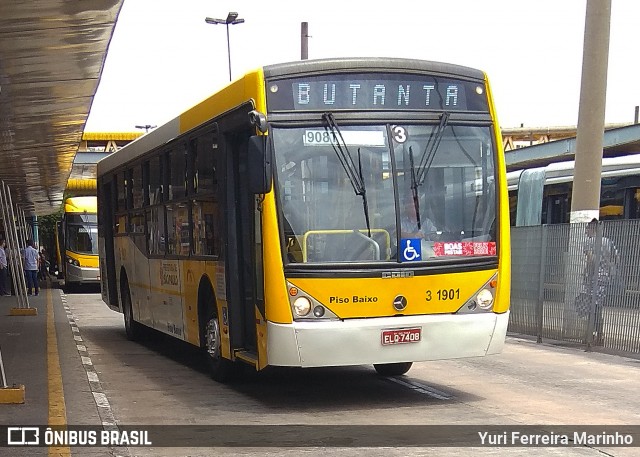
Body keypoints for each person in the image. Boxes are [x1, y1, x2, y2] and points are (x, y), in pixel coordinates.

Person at [581, 218, 618, 344]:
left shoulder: (589, 242)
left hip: (593, 278)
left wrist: (587, 273)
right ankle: (599, 334)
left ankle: (591, 334)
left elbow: (591, 261)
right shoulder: (609, 242)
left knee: (591, 306)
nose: (586, 232)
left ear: (592, 229)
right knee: (598, 306)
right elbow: (616, 259)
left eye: (587, 229)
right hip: (605, 277)